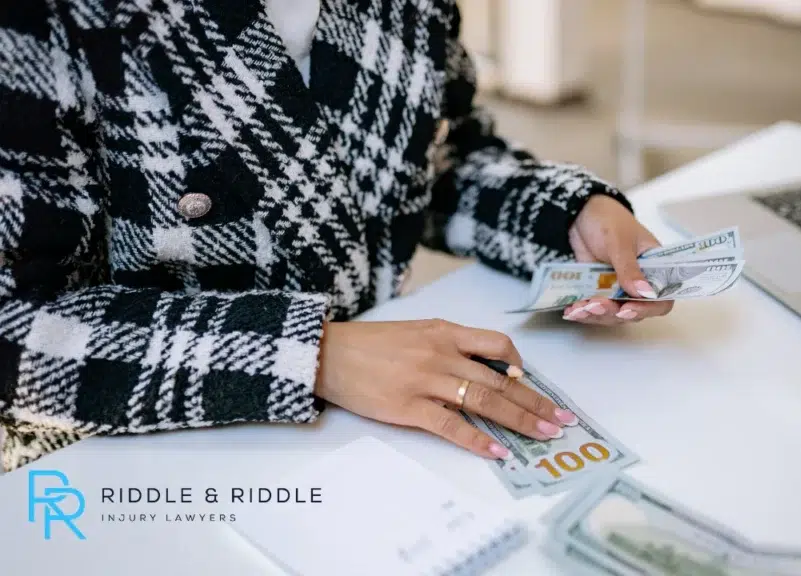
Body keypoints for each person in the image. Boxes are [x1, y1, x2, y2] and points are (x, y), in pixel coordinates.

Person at [0, 0, 672, 472]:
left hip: (368, 442)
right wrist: (312, 355)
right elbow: (17, 326)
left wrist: (567, 215)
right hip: (117, 468)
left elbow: (437, 160)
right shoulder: (38, 20)